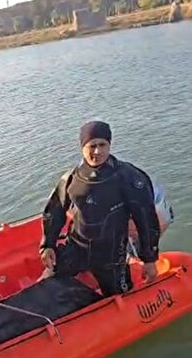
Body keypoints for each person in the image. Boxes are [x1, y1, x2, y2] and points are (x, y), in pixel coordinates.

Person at [40, 120, 161, 296]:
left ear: (109, 145)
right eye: (92, 146)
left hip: (111, 256)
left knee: (121, 297)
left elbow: (146, 219)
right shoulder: (72, 178)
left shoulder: (130, 178)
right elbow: (54, 211)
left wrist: (149, 260)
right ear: (82, 147)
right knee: (46, 284)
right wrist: (47, 245)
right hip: (76, 248)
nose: (97, 151)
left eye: (102, 145)